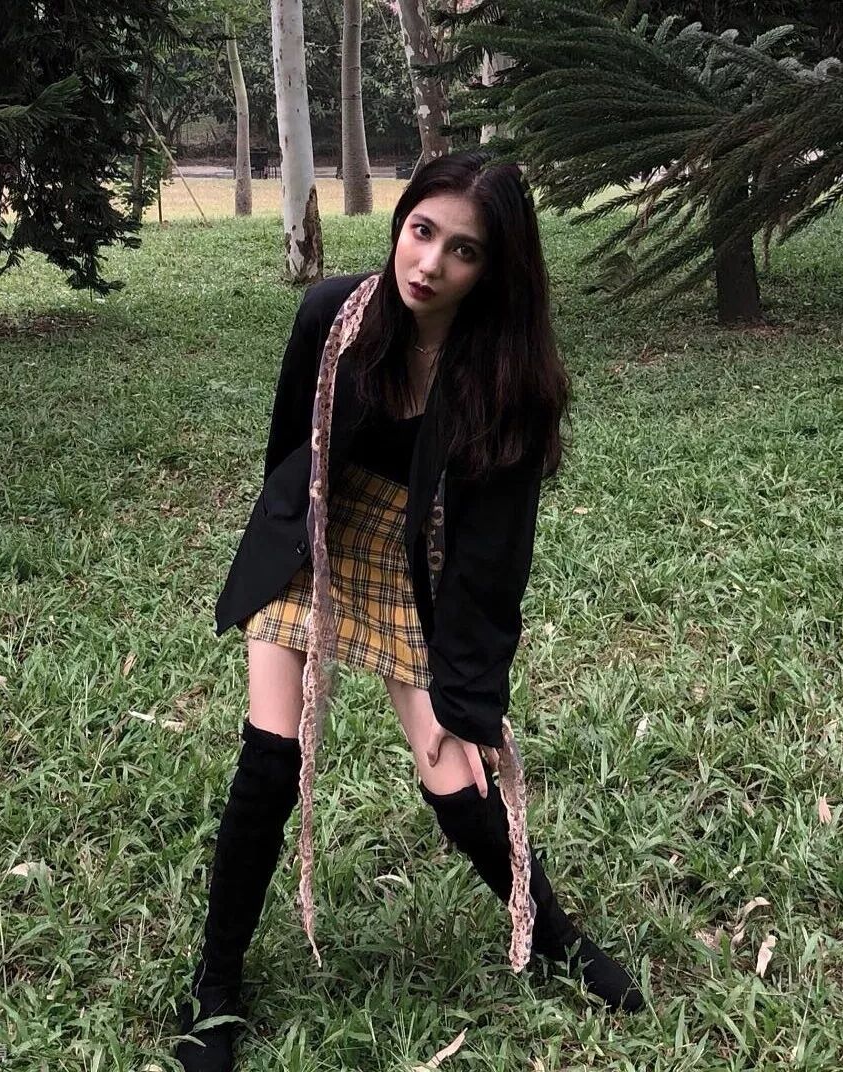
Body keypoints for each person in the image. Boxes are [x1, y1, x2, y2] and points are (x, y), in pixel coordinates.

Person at [175, 150, 643, 1072]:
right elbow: (289, 454)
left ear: (494, 268)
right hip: (317, 535)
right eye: (421, 231)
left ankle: (556, 939)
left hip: (417, 560)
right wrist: (279, 552)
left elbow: (493, 558)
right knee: (270, 758)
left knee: (456, 781)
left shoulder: (508, 383)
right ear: (401, 223)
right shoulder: (332, 316)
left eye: (462, 250)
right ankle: (215, 987)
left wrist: (470, 693)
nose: (429, 263)